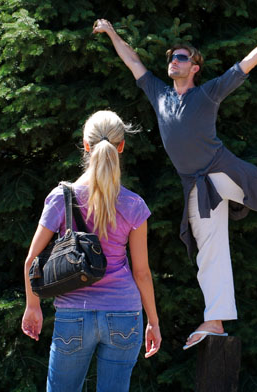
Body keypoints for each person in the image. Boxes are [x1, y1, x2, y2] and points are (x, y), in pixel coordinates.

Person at [94, 4, 257, 350]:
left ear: (195, 67)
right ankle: (215, 321)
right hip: (195, 186)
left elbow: (246, 64)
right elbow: (133, 62)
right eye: (171, 57)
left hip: (224, 170)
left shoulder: (208, 93)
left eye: (180, 57)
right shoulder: (159, 94)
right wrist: (113, 32)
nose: (172, 61)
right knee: (210, 251)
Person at [21, 110, 161, 391]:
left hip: (74, 313)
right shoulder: (133, 205)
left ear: (85, 145)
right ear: (122, 146)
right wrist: (153, 322)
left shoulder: (61, 198)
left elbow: (32, 260)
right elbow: (142, 273)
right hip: (124, 312)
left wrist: (33, 306)